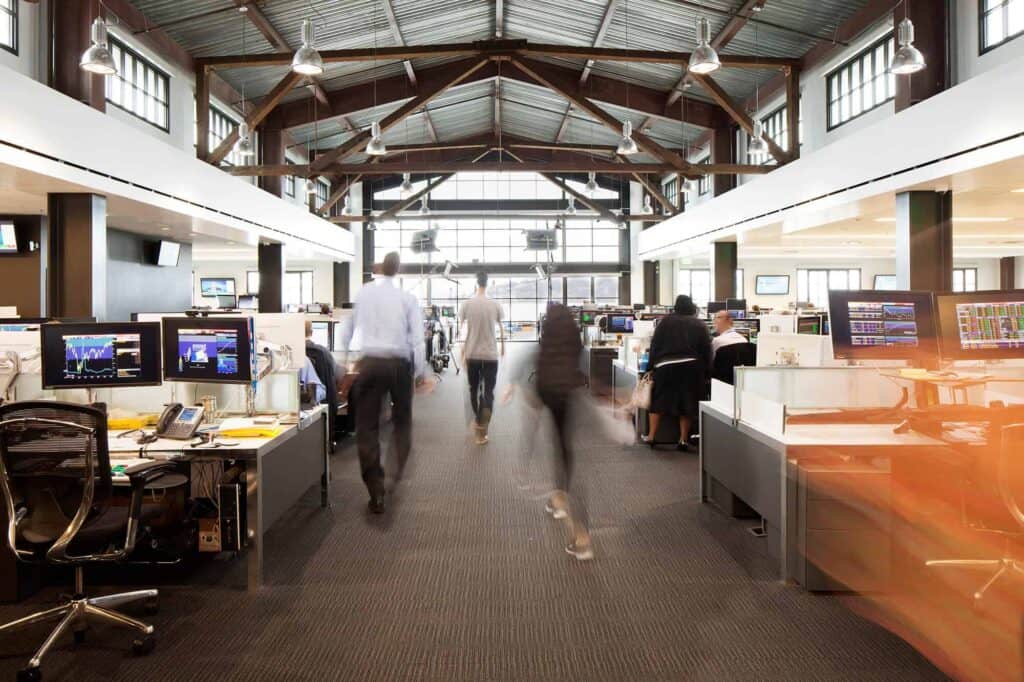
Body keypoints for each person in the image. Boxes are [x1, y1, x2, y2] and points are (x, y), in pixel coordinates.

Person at [338, 252, 430, 514]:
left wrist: (346, 364)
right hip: (399, 365)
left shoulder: (365, 293)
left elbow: (347, 329)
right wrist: (420, 373)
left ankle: (375, 487)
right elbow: (417, 340)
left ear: (379, 268)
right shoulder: (407, 298)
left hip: (370, 363)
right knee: (402, 423)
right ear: (397, 270)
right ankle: (392, 477)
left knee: (366, 427)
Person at [509, 303, 592, 561]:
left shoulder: (543, 346)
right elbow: (586, 369)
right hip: (569, 395)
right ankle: (580, 534)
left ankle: (558, 497)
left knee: (552, 447)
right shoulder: (575, 344)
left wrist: (515, 386)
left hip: (547, 393)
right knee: (565, 451)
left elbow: (526, 367)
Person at [642, 295, 711, 452]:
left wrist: (650, 367)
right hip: (691, 367)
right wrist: (706, 372)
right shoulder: (699, 324)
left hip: (666, 366)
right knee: (688, 402)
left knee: (658, 400)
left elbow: (655, 345)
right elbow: (706, 350)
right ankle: (683, 439)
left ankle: (652, 436)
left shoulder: (665, 322)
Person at [459, 271, 505, 445]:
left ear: (476, 283)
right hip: (491, 355)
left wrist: (462, 351)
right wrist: (502, 347)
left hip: (472, 354)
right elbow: (501, 328)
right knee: (488, 393)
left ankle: (478, 420)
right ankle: (482, 428)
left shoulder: (467, 304)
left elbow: (461, 331)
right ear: (488, 283)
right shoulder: (494, 304)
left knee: (473, 389)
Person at [305, 319, 341, 444]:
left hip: (303, 408)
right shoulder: (323, 352)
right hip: (324, 406)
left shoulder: (292, 354)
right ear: (312, 332)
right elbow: (336, 376)